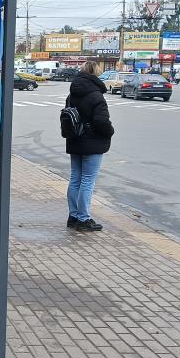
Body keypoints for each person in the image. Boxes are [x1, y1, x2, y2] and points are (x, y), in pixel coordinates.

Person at [66, 61, 114, 232]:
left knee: (75, 179)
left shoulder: (72, 93)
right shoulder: (96, 95)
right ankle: (83, 219)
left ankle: (73, 216)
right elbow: (101, 121)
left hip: (75, 140)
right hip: (92, 143)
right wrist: (110, 131)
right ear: (96, 73)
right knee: (87, 180)